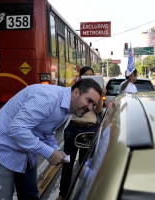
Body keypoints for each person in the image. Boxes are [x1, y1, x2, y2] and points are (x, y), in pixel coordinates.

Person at [0, 79, 102, 200]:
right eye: (88, 101)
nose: (90, 108)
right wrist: (49, 153)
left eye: (93, 104)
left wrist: (57, 151)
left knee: (31, 196)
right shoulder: (48, 98)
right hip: (0, 148)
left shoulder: (67, 107)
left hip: (24, 151)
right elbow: (17, 129)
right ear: (76, 92)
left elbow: (46, 134)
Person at [57, 66, 107, 200]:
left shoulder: (96, 93)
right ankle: (63, 194)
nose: (89, 76)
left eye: (92, 75)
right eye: (86, 75)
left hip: (89, 130)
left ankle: (86, 192)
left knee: (85, 164)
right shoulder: (77, 91)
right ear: (80, 77)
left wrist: (100, 96)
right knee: (67, 162)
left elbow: (97, 111)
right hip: (72, 128)